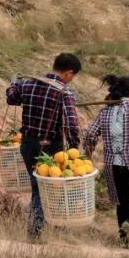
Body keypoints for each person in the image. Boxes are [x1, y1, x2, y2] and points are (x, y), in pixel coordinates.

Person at [6, 53, 82, 238]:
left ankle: (42, 228)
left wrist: (14, 83)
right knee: (47, 187)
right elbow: (71, 123)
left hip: (28, 144)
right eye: (73, 76)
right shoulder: (64, 91)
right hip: (50, 147)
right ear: (69, 73)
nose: (71, 80)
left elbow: (11, 98)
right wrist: (74, 147)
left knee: (37, 185)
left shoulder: (28, 84)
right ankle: (38, 231)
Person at [82, 75, 129, 248]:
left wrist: (87, 156)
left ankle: (125, 241)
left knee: (123, 201)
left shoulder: (105, 111)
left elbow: (90, 134)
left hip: (113, 163)